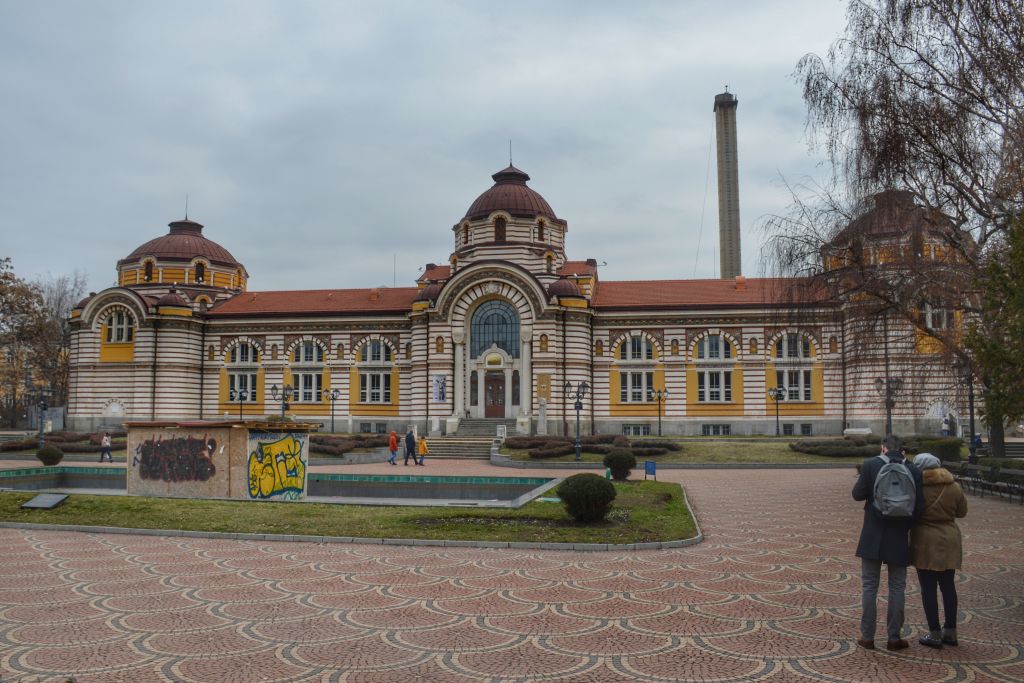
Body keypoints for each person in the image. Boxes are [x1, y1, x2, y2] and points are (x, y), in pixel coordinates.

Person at [852, 435, 924, 651]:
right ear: (902, 450)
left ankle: (867, 637)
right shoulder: (913, 470)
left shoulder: (871, 464)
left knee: (869, 586)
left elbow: (857, 495)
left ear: (883, 448)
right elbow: (920, 506)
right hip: (899, 534)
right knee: (897, 586)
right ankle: (894, 637)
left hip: (873, 532)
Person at [910, 453, 968, 649]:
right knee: (948, 586)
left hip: (925, 539)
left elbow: (910, 511)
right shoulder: (954, 486)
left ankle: (934, 633)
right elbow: (962, 512)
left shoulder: (917, 488)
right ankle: (950, 631)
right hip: (949, 537)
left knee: (928, 588)